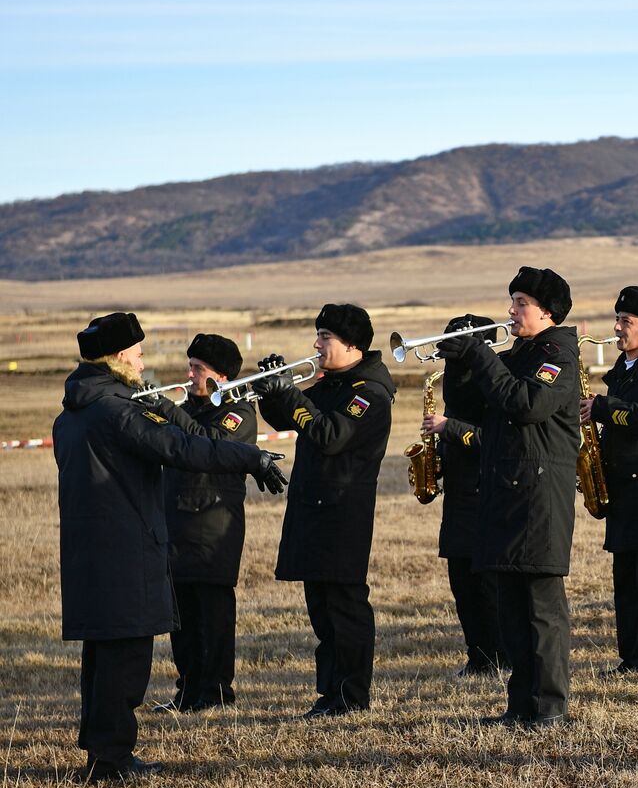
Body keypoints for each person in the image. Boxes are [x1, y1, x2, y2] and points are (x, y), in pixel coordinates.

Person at [54, 313, 285, 781]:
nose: (143, 363)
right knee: (126, 659)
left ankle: (102, 750)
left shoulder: (72, 413)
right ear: (119, 358)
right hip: (124, 552)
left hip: (88, 552)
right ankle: (113, 760)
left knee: (101, 656)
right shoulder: (118, 412)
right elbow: (184, 448)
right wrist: (252, 457)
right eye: (138, 355)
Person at [437, 267, 579, 728]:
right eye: (512, 302)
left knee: (541, 609)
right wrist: (461, 362)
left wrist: (481, 354)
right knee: (513, 608)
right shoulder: (518, 352)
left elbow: (525, 403)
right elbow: (476, 407)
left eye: (521, 304)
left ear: (548, 312)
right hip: (506, 490)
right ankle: (521, 703)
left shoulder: (558, 353)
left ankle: (550, 706)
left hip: (539, 495)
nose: (511, 312)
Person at [255, 303, 396, 718]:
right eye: (317, 336)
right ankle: (330, 693)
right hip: (314, 507)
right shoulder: (336, 383)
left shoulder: (368, 394)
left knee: (346, 607)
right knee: (321, 608)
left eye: (325, 338)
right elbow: (291, 416)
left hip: (342, 512)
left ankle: (352, 695)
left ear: (352, 344)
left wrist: (291, 393)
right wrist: (271, 388)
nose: (316, 345)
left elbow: (328, 434)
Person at [157, 333, 259, 711]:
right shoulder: (189, 408)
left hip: (214, 526)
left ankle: (216, 694)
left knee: (212, 618)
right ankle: (186, 692)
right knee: (180, 619)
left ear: (222, 376)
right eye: (190, 366)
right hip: (177, 524)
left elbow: (210, 445)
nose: (189, 374)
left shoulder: (239, 412)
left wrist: (169, 411)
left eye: (198, 368)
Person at [582, 286, 638, 674]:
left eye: (626, 322)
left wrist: (603, 408)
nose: (617, 328)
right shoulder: (621, 369)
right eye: (618, 320)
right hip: (622, 488)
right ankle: (629, 655)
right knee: (625, 580)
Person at [423, 314, 507, 675]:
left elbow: (496, 439)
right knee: (462, 581)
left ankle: (498, 655)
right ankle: (478, 654)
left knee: (487, 584)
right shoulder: (453, 380)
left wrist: (448, 427)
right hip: (458, 492)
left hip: (486, 491)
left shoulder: (494, 379)